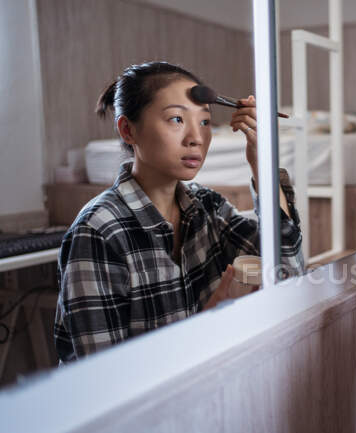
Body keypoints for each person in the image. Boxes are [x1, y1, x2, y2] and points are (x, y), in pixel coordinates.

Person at [54, 61, 304, 363]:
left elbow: (289, 268)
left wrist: (262, 162)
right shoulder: (98, 232)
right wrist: (208, 322)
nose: (195, 138)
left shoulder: (207, 207)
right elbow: (102, 381)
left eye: (204, 122)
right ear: (128, 130)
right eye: (176, 119)